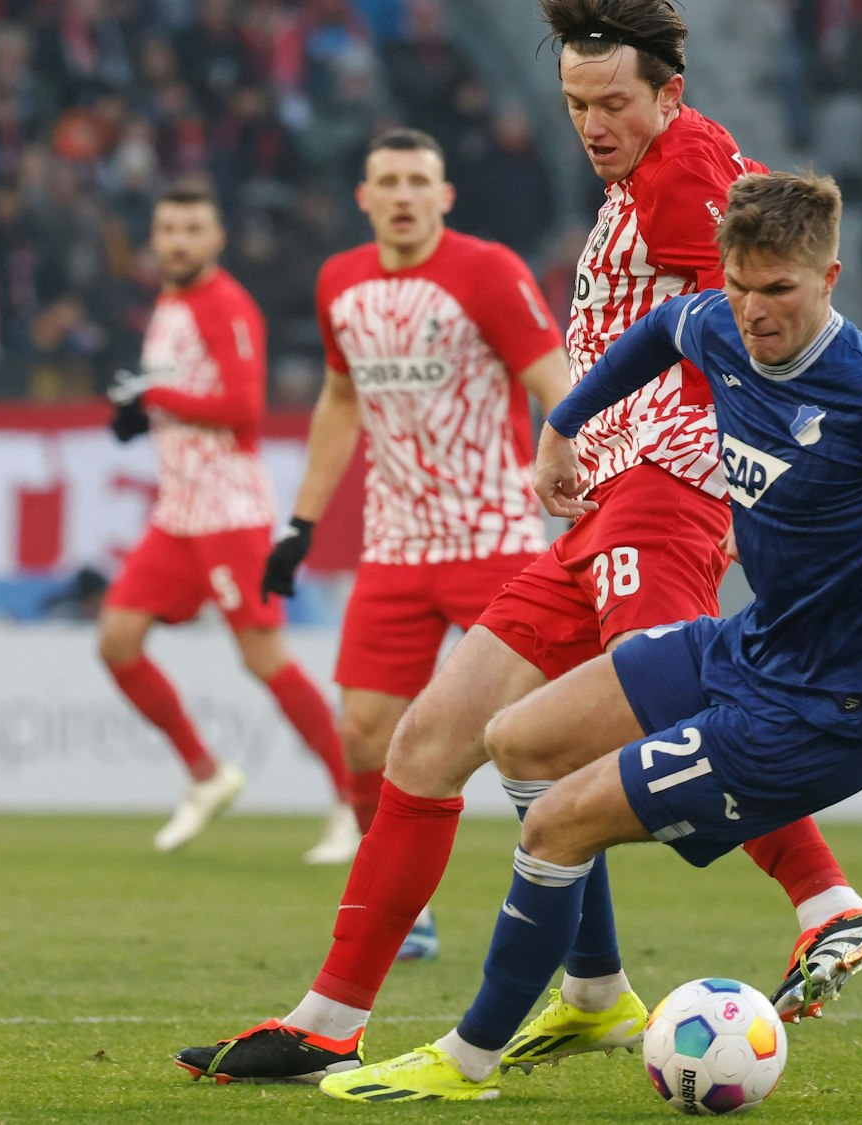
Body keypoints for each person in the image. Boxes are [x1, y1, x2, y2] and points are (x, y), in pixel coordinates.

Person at [173, 0, 862, 1086]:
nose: (593, 122)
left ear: (668, 94)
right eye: (575, 103)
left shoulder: (682, 168)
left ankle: (826, 902)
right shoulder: (643, 177)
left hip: (661, 495)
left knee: (673, 708)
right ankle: (344, 1018)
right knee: (434, 745)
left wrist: (750, 455)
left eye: (614, 102)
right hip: (607, 500)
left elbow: (758, 320)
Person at [319, 169, 862, 1104]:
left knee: (556, 823)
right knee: (514, 737)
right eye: (740, 286)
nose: (754, 312)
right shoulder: (717, 323)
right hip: (748, 647)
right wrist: (563, 424)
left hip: (823, 711)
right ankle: (604, 991)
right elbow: (660, 331)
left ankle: (467, 1060)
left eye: (779, 291)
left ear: (830, 276)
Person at [259, 127, 572, 912]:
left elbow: (555, 380)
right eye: (387, 182)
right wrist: (300, 523)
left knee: (532, 736)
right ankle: (402, 901)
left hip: (492, 536)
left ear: (444, 196)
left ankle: (567, 906)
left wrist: (579, 474)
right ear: (364, 198)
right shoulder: (340, 281)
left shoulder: (488, 271)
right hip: (394, 544)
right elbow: (339, 398)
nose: (402, 195)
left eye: (417, 181)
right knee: (363, 733)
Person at [99, 179, 352, 857]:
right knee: (117, 640)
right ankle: (206, 775)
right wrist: (142, 408)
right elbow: (183, 395)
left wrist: (158, 393)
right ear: (155, 239)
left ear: (216, 239)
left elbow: (243, 410)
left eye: (191, 230)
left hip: (229, 512)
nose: (178, 241)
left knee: (263, 659)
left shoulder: (226, 305)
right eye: (168, 230)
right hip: (177, 513)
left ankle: (354, 804)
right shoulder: (169, 303)